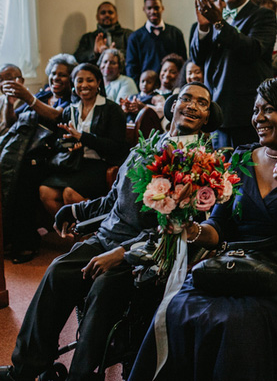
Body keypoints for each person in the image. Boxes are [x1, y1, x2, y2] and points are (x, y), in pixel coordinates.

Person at [0, 82, 222, 381]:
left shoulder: (198, 163)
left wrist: (122, 254)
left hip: (144, 252)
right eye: (186, 98)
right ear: (173, 106)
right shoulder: (151, 143)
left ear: (208, 117)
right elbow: (115, 199)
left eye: (202, 103)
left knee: (104, 287)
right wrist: (76, 210)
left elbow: (177, 229)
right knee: (57, 271)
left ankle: (81, 375)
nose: (192, 105)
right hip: (107, 235)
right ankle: (25, 369)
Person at [128, 77, 277, 380]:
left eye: (269, 109)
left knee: (236, 322)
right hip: (236, 262)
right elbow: (219, 226)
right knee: (179, 307)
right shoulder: (241, 158)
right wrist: (193, 230)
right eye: (256, 110)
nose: (258, 118)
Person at [192, 0, 277, 149]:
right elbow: (197, 58)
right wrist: (203, 27)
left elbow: (252, 50)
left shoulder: (263, 16)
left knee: (244, 172)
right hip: (214, 109)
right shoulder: (215, 17)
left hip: (243, 112)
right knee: (219, 170)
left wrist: (219, 23)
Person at [0, 57, 75, 263]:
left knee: (24, 177)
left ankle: (26, 243)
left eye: (62, 74)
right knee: (9, 172)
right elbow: (11, 122)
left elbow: (56, 116)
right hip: (25, 153)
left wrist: (28, 97)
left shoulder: (71, 99)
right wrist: (10, 101)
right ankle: (8, 236)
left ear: (71, 79)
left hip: (54, 157)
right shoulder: (44, 94)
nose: (56, 78)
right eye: (53, 73)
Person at [38, 63, 128, 217]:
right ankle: (71, 234)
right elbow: (59, 143)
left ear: (98, 82)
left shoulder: (111, 109)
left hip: (101, 164)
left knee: (69, 193)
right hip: (74, 164)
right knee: (45, 191)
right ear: (74, 84)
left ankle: (90, 231)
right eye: (79, 81)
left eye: (90, 80)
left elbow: (117, 147)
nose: (84, 85)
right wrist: (69, 144)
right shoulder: (70, 110)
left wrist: (82, 137)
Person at [126, 0, 187, 82]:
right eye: (149, 8)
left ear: (162, 8)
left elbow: (183, 62)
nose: (153, 11)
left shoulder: (176, 33)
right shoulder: (135, 37)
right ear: (144, 9)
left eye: (156, 8)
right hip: (146, 88)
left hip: (172, 85)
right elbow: (131, 67)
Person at [0, 64, 26, 135]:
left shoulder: (29, 102)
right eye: (1, 80)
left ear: (21, 81)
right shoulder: (1, 100)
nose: (4, 83)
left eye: (9, 79)